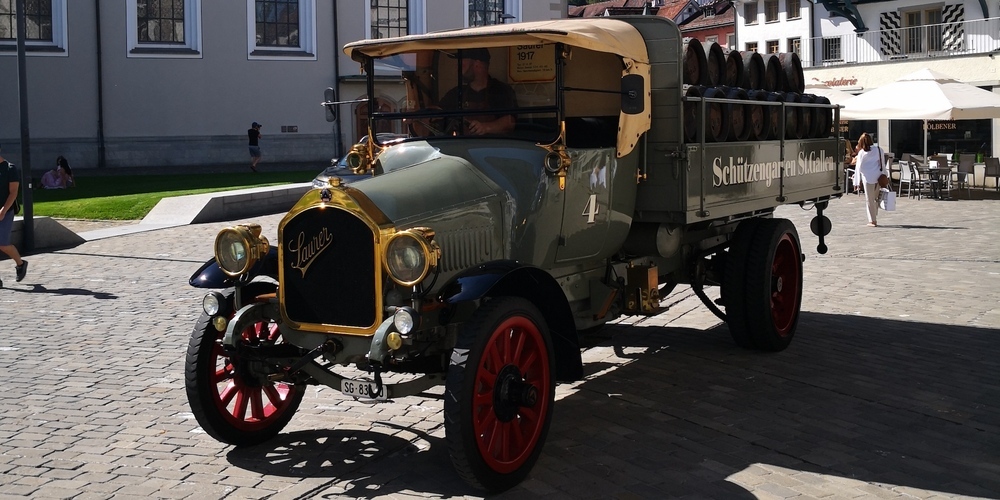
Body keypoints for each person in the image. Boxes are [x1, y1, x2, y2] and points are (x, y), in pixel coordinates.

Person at [438, 48, 517, 136]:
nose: (457, 68)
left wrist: (485, 127)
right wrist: (431, 112)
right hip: (463, 144)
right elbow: (438, 112)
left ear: (477, 64)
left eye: (461, 63)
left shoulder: (501, 90)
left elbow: (509, 123)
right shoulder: (456, 93)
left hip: (493, 144)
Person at [0, 145, 28, 286]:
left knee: (3, 244)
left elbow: (13, 193)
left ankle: (20, 264)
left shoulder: (10, 169)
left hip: (6, 211)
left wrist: (3, 210)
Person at [852, 132, 887, 227]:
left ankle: (872, 220)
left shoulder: (862, 153)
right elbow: (882, 164)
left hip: (867, 178)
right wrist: (885, 175)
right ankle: (874, 215)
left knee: (869, 200)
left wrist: (856, 182)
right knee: (875, 199)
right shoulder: (879, 150)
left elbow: (858, 168)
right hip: (879, 177)